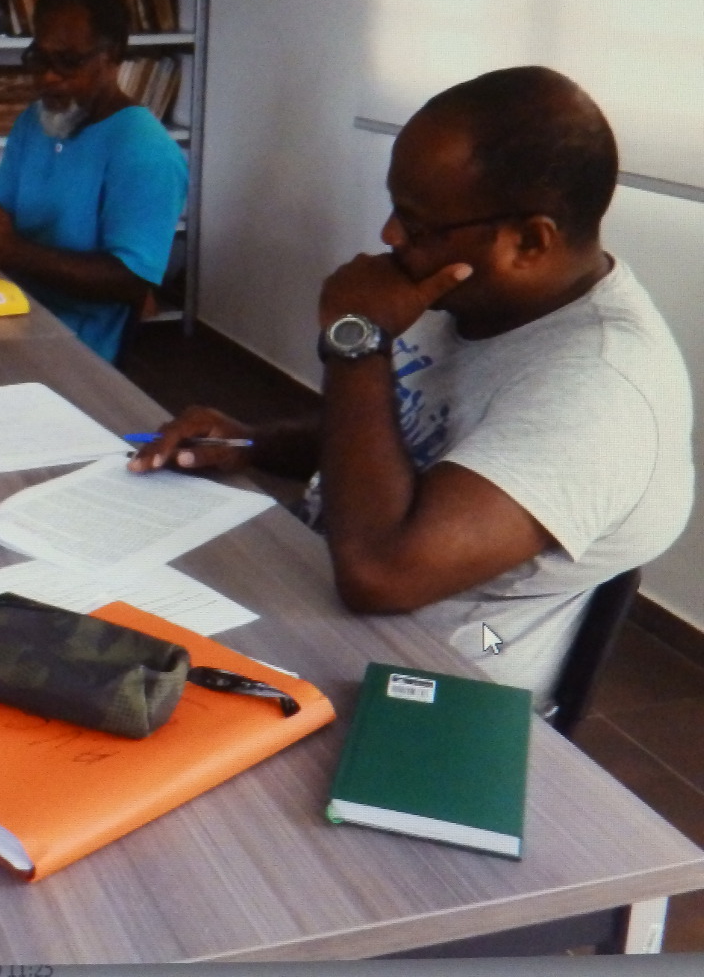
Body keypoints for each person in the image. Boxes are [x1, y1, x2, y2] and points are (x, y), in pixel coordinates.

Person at [130, 66, 693, 709]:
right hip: (317, 605)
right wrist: (251, 443)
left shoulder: (600, 391)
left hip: (427, 692)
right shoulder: (473, 295)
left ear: (529, 241)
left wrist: (356, 340)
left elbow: (380, 574)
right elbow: (407, 436)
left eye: (418, 224)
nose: (390, 236)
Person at [0, 0, 188, 363]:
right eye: (39, 59)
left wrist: (14, 251)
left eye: (68, 62)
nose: (47, 77)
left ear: (113, 56)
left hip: (74, 343)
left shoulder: (145, 151)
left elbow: (131, 281)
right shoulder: (36, 120)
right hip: (9, 302)